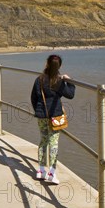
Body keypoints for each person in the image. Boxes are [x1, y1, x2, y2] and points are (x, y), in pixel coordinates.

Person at [30, 54, 75, 185]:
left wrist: (39, 111)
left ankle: (41, 171)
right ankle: (51, 174)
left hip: (42, 116)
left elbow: (33, 98)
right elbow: (70, 95)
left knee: (43, 141)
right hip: (55, 116)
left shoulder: (39, 79)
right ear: (59, 66)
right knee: (53, 143)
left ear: (47, 64)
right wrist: (69, 81)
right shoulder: (59, 81)